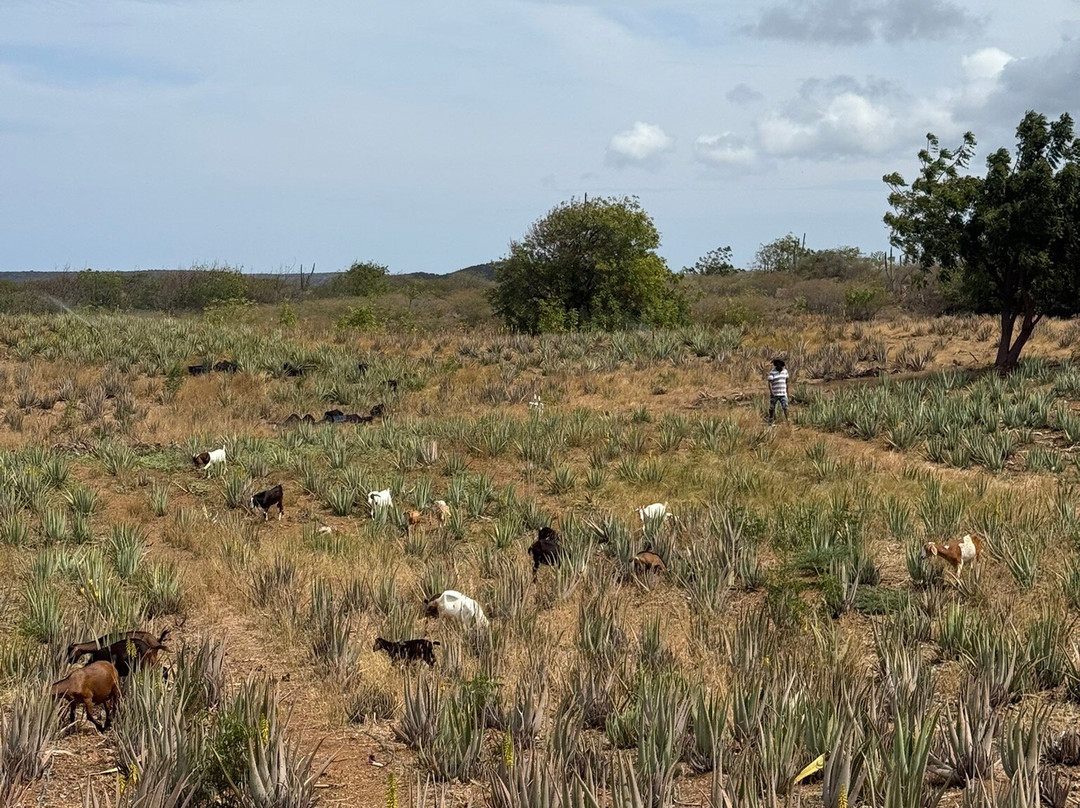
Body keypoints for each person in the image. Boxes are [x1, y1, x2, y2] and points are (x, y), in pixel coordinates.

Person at [767, 358, 789, 424]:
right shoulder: (772, 372)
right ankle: (771, 420)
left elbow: (787, 382)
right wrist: (771, 392)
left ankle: (788, 420)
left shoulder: (785, 372)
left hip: (783, 393)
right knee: (772, 407)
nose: (778, 365)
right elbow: (769, 383)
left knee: (785, 407)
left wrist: (787, 392)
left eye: (780, 364)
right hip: (775, 393)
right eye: (777, 364)